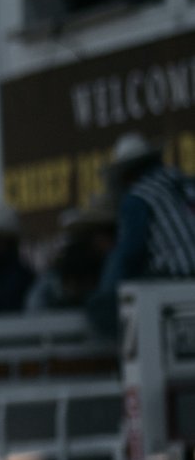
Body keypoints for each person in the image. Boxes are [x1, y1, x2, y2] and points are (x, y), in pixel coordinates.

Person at [90, 132, 195, 337]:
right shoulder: (187, 182)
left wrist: (113, 291)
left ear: (126, 174)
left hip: (175, 276)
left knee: (100, 305)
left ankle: (128, 345)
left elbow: (131, 252)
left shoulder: (138, 197)